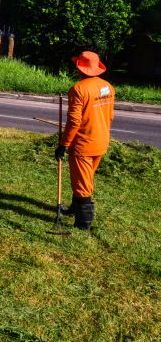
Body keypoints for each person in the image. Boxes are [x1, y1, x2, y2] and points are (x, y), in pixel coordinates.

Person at [55, 51, 115, 230]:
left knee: (83, 184)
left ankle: (84, 223)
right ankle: (75, 207)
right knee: (84, 179)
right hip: (101, 141)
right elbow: (110, 115)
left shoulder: (78, 89)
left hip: (83, 145)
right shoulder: (108, 87)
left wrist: (63, 144)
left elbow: (74, 121)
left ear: (80, 68)